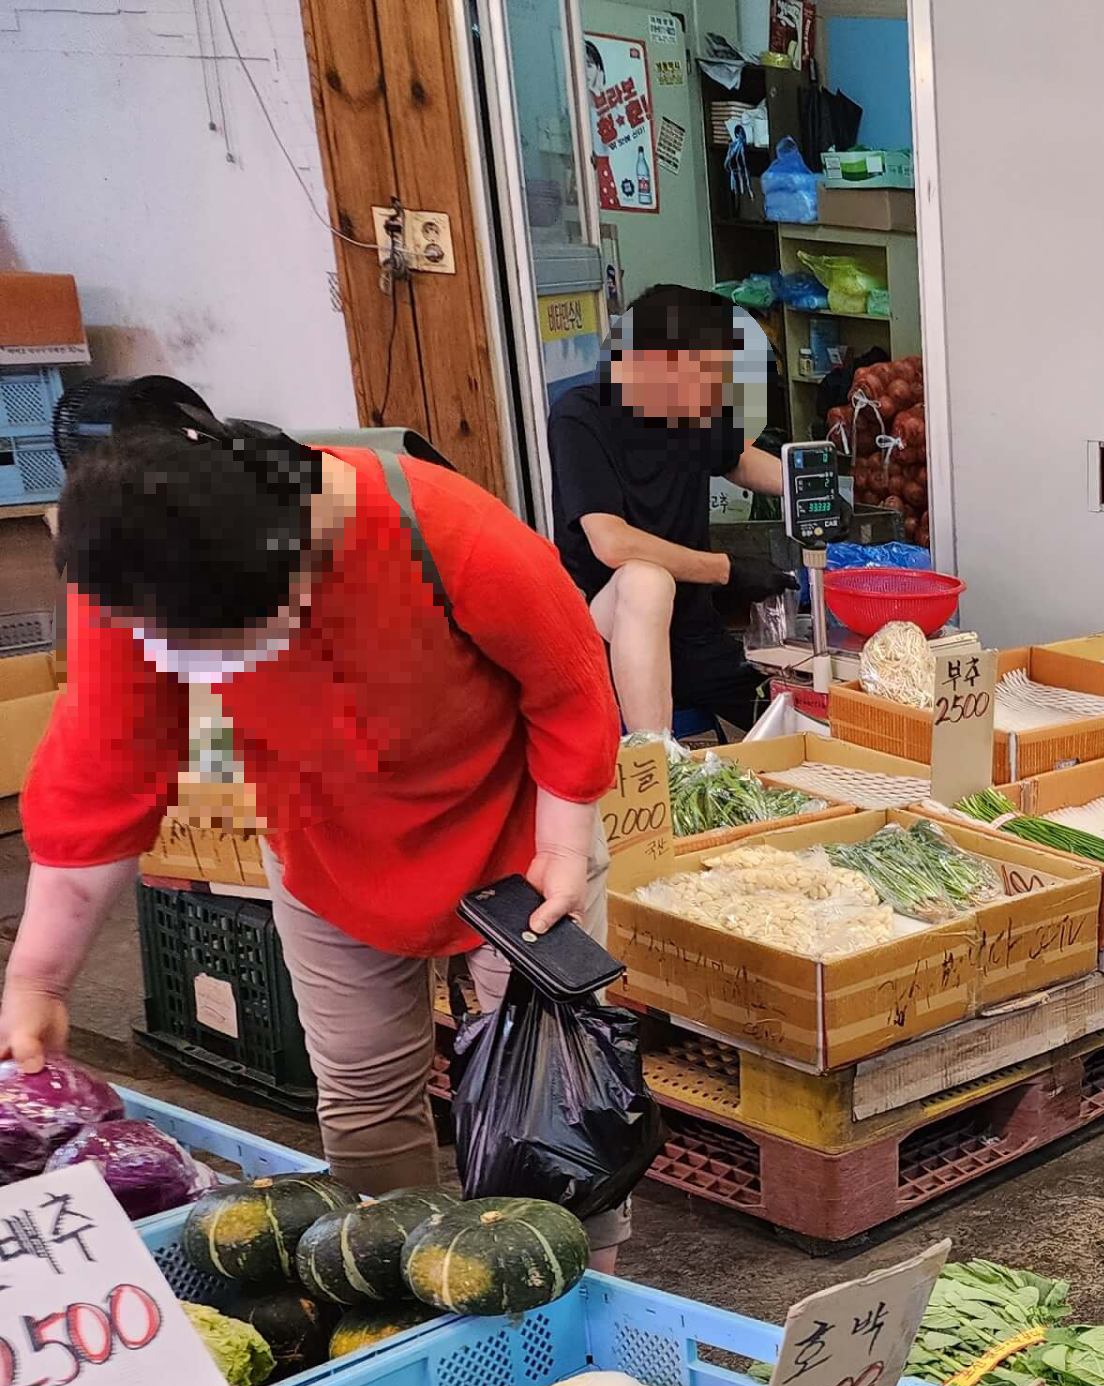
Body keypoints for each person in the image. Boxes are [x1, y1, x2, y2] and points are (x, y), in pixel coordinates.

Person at [0, 383, 632, 1255]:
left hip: (517, 837)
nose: (197, 668)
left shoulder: (451, 533)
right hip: (330, 848)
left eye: (222, 645)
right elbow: (101, 780)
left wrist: (563, 846)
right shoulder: (139, 578)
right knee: (365, 1096)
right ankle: (402, 1293)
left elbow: (569, 689)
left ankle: (575, 1301)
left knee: (554, 1097)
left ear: (296, 560)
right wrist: (40, 981)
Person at [552, 283, 789, 739]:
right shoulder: (579, 416)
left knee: (789, 723)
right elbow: (612, 543)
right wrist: (727, 570)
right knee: (647, 580)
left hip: (696, 636)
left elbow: (736, 458)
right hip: (607, 630)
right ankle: (659, 766)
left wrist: (804, 486)